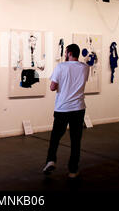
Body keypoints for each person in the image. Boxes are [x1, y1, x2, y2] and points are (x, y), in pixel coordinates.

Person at [43, 43, 89, 179]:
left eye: (65, 53)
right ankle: (73, 170)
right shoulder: (85, 68)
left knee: (55, 137)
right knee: (76, 140)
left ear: (69, 53)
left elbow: (52, 87)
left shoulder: (61, 67)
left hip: (62, 108)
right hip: (79, 108)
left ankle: (51, 160)